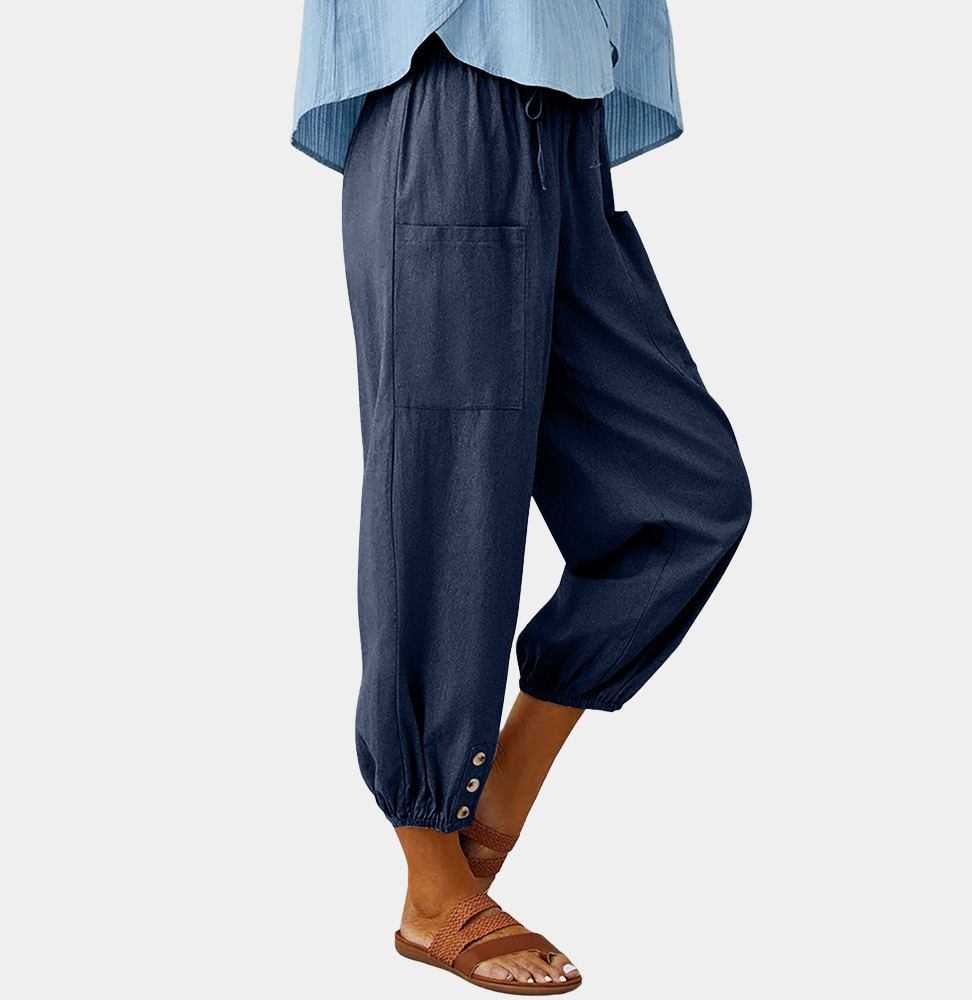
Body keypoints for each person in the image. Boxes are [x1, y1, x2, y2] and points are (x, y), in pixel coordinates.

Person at [291, 2, 752, 992]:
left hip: (567, 113)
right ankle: (431, 878)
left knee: (686, 497)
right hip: (445, 90)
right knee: (443, 483)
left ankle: (500, 782)